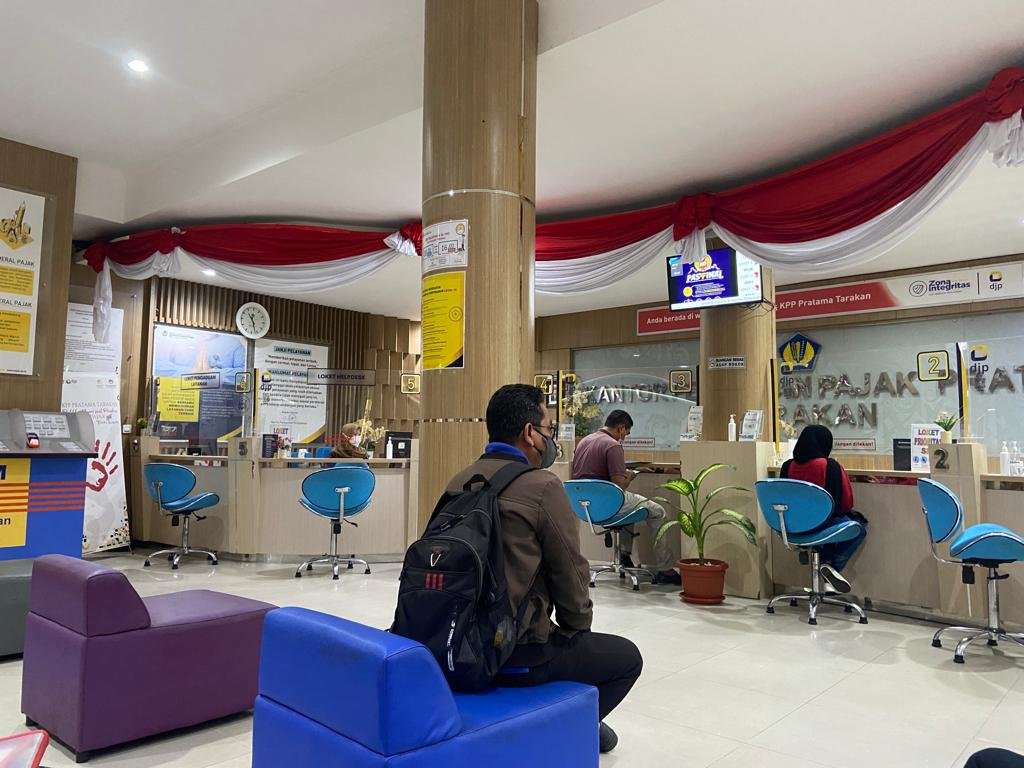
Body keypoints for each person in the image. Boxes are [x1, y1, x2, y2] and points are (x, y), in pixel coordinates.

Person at [446, 384, 642, 753]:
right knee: (627, 658)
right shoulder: (542, 486)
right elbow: (570, 574)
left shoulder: (460, 479)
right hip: (518, 652)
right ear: (529, 433)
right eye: (548, 429)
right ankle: (569, 725)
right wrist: (575, 630)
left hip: (454, 642)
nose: (550, 439)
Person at [571, 410, 681, 585]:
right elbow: (619, 486)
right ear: (621, 428)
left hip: (585, 507)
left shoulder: (584, 441)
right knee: (658, 511)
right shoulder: (613, 445)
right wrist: (631, 474)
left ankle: (624, 555)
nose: (625, 437)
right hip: (609, 503)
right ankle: (666, 569)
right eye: (626, 433)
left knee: (631, 508)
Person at [780, 424, 867, 593]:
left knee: (828, 528)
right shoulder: (830, 466)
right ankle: (829, 567)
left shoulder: (787, 466)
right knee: (857, 529)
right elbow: (845, 504)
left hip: (792, 527)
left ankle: (817, 557)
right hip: (822, 525)